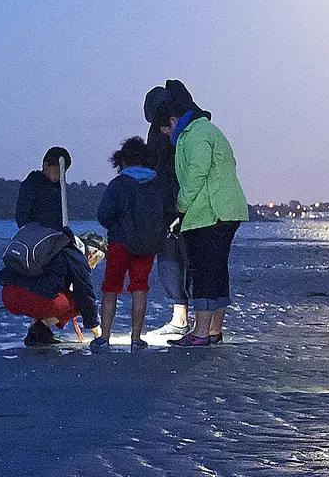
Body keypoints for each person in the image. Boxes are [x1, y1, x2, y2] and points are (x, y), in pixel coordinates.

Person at [154, 86, 250, 347]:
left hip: (210, 213)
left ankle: (200, 332)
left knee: (203, 272)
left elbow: (196, 174)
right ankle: (214, 330)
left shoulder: (194, 134)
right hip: (226, 211)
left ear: (173, 120)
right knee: (217, 271)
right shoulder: (208, 130)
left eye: (165, 129)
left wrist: (180, 207)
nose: (166, 134)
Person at [91, 136, 174, 353]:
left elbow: (104, 216)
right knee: (140, 288)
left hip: (119, 242)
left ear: (123, 161)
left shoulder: (118, 184)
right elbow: (167, 213)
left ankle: (104, 337)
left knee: (110, 288)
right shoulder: (156, 183)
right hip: (147, 244)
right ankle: (136, 338)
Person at [144, 86, 192, 337]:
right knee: (188, 260)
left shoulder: (162, 131)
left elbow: (156, 168)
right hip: (185, 203)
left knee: (171, 259)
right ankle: (195, 319)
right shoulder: (188, 123)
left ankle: (181, 317)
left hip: (171, 204)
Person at [0, 232, 102, 346]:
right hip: (33, 299)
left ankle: (36, 330)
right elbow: (85, 296)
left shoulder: (53, 245)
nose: (94, 266)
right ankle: (40, 329)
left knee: (42, 288)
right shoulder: (75, 256)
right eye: (97, 260)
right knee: (78, 301)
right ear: (93, 253)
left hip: (9, 296)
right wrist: (97, 332)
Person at [16, 146, 74, 232]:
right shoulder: (32, 183)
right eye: (57, 171)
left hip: (55, 238)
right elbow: (22, 216)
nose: (59, 175)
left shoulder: (59, 188)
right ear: (45, 165)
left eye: (63, 172)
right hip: (36, 237)